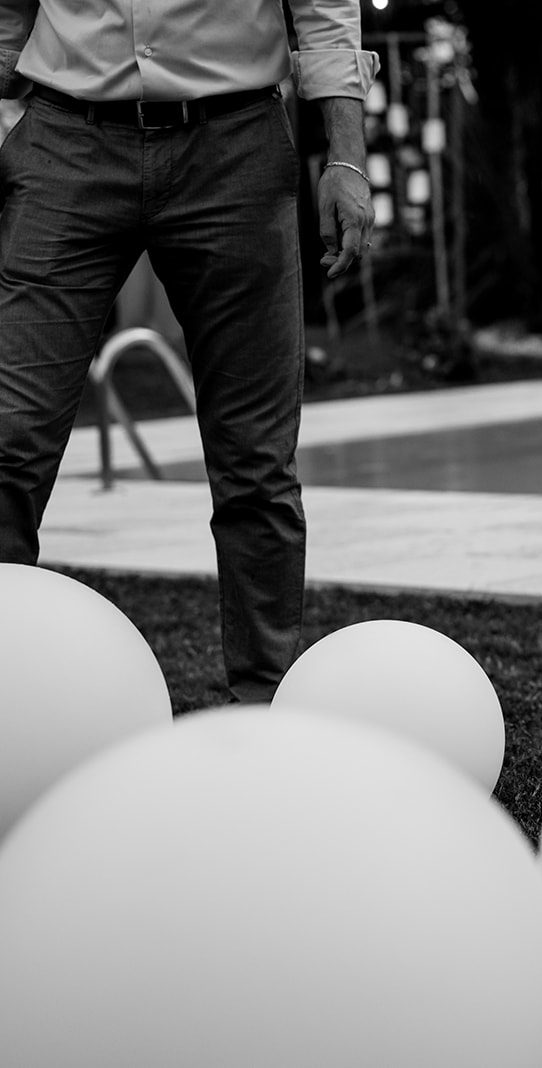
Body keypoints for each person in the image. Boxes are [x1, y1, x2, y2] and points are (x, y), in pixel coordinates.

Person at [0, 1, 378, 703]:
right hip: (64, 143)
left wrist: (346, 157)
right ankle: (7, 694)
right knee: (8, 440)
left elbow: (324, 9)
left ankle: (263, 707)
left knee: (255, 461)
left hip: (235, 149)